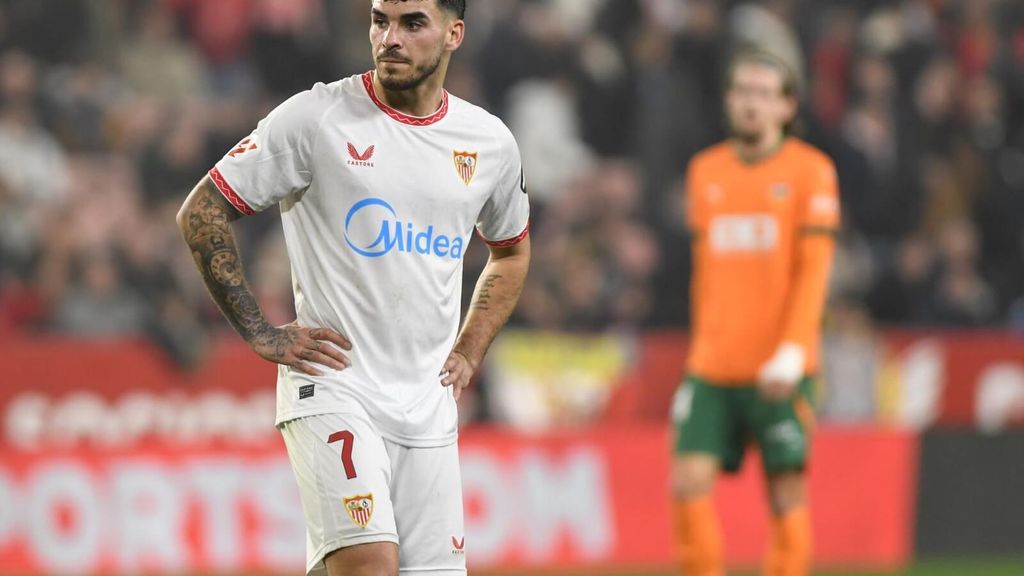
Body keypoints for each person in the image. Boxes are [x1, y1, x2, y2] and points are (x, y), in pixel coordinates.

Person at [175, 2, 531, 575]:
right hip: (334, 388)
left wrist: (471, 346)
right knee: (369, 563)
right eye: (379, 20)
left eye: (412, 23)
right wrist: (260, 331)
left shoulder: (488, 143)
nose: (389, 37)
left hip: (427, 406)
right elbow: (201, 212)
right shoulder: (316, 119)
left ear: (453, 34)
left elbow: (510, 252)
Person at [671, 49, 840, 576]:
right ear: (728, 99)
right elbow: (708, 279)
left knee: (785, 489)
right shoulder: (704, 173)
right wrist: (694, 362)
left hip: (781, 368)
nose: (751, 104)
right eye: (743, 91)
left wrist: (791, 352)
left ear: (787, 106)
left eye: (764, 94)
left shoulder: (811, 172)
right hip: (714, 367)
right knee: (688, 481)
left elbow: (814, 272)